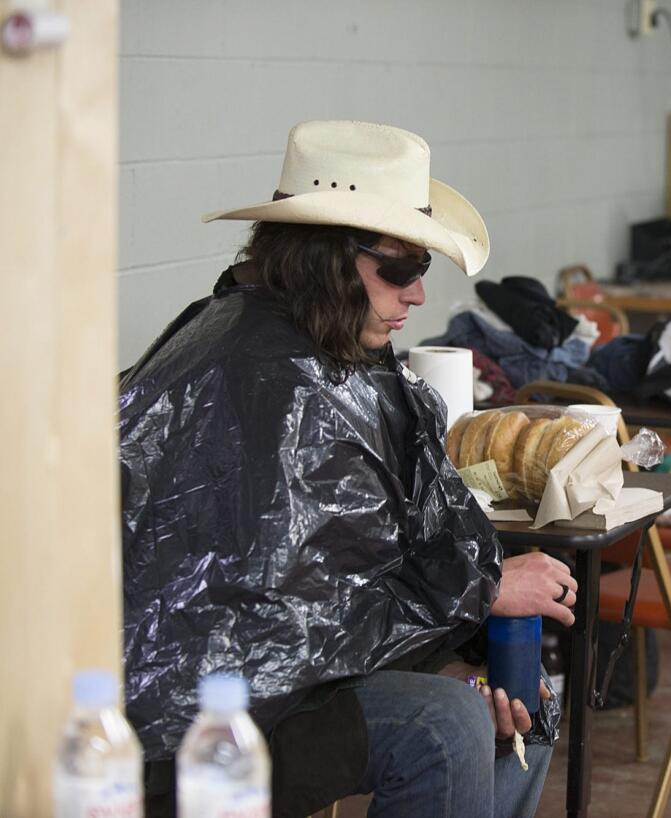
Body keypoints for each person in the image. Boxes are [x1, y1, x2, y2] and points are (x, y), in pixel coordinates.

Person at [120, 120, 575, 817]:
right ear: (325, 258)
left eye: (420, 269)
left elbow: (343, 586)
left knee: (522, 697)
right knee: (444, 726)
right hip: (193, 723)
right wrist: (481, 590)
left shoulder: (326, 349)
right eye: (401, 269)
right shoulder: (259, 376)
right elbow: (271, 624)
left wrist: (454, 658)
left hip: (292, 678)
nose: (417, 295)